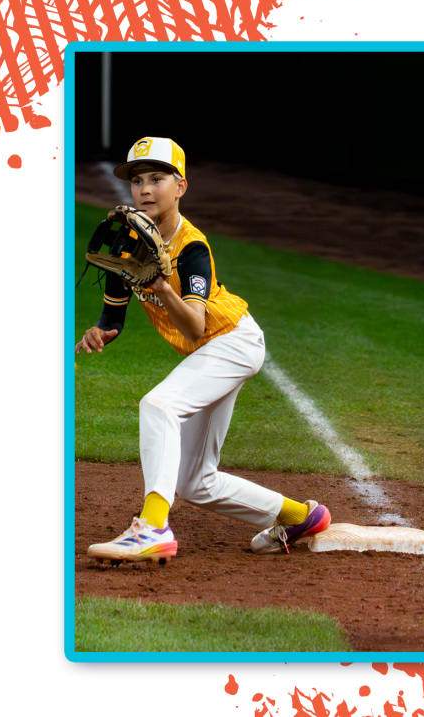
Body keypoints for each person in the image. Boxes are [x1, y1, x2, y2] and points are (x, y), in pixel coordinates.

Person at [78, 136, 330, 562]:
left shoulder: (192, 246)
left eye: (157, 179)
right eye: (137, 180)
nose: (145, 189)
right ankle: (300, 516)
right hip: (211, 352)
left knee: (159, 405)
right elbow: (112, 319)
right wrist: (99, 332)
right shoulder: (128, 244)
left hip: (234, 341)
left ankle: (152, 527)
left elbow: (194, 327)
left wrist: (162, 287)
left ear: (180, 187)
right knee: (195, 482)